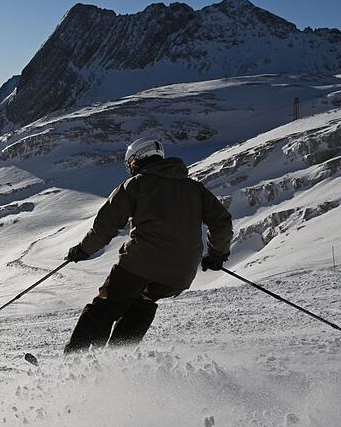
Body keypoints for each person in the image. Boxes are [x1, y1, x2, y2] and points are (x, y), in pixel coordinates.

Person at [63, 138, 233, 354]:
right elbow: (222, 222)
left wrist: (83, 249)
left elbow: (106, 225)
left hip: (140, 263)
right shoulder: (195, 189)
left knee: (105, 307)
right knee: (142, 302)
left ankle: (74, 362)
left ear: (135, 161)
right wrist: (217, 254)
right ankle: (116, 363)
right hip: (180, 274)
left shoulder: (136, 185)